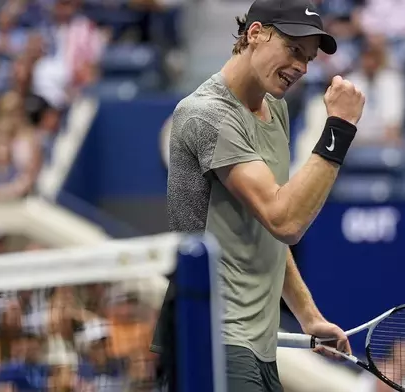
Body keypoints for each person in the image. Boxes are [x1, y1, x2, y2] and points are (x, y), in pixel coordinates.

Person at [150, 0, 366, 390]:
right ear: (255, 34)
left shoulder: (275, 110)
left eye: (308, 58)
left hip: (257, 346)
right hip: (213, 336)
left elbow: (265, 230)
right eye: (293, 50)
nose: (301, 66)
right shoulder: (206, 115)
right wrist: (339, 128)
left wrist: (308, 315)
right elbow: (285, 220)